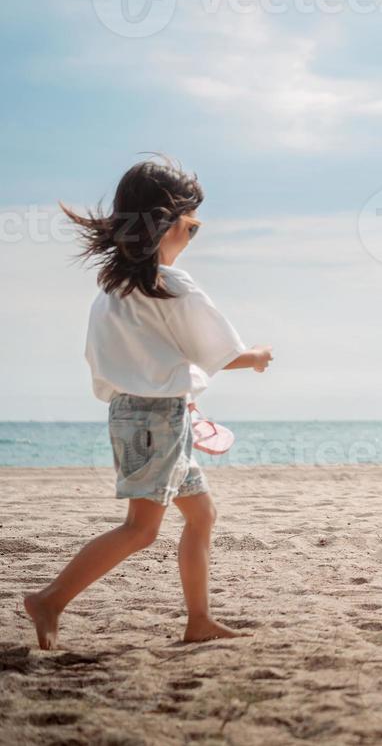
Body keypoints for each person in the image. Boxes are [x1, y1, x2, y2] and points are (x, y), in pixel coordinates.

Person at [23, 157, 273, 649]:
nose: (192, 237)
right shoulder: (168, 285)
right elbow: (218, 352)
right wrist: (259, 357)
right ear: (165, 224)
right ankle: (49, 599)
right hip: (156, 419)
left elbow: (115, 360)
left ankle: (198, 620)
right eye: (192, 227)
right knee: (140, 529)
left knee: (202, 516)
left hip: (142, 415)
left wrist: (172, 397)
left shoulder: (112, 288)